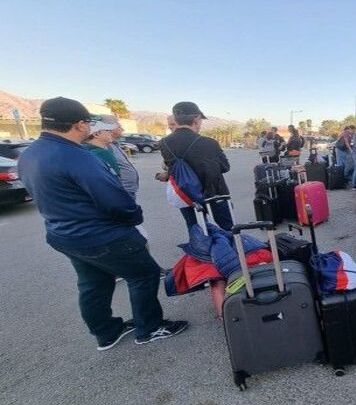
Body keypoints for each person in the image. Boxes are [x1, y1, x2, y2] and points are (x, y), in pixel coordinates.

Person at [18, 97, 188, 350]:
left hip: (64, 235)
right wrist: (133, 217)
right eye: (87, 123)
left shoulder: (29, 154)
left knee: (93, 283)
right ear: (79, 125)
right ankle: (149, 328)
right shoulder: (77, 156)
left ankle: (106, 332)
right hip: (103, 236)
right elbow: (114, 200)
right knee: (144, 274)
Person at [159, 101, 232, 231]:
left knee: (195, 229)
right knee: (227, 230)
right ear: (197, 119)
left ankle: (202, 250)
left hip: (185, 194)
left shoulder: (164, 143)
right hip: (214, 194)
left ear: (176, 119)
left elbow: (170, 166)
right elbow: (225, 167)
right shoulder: (209, 143)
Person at [101, 115, 140, 199]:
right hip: (121, 192)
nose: (122, 129)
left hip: (128, 191)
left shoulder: (114, 144)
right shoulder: (105, 147)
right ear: (109, 128)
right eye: (119, 126)